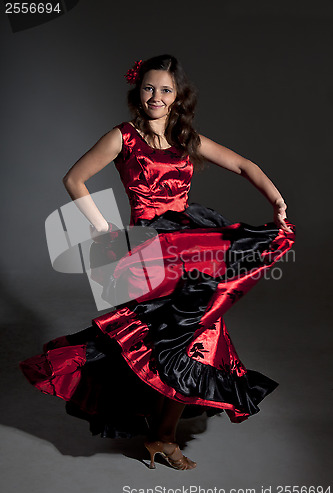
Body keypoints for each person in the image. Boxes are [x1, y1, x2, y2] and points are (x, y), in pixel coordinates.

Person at [19, 54, 295, 471]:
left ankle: (161, 435)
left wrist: (275, 199)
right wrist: (101, 226)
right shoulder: (123, 137)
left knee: (201, 337)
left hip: (188, 246)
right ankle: (157, 432)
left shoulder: (187, 138)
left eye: (165, 89)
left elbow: (242, 164)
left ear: (177, 97)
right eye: (149, 87)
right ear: (138, 91)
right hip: (146, 251)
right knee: (158, 340)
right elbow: (74, 178)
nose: (156, 96)